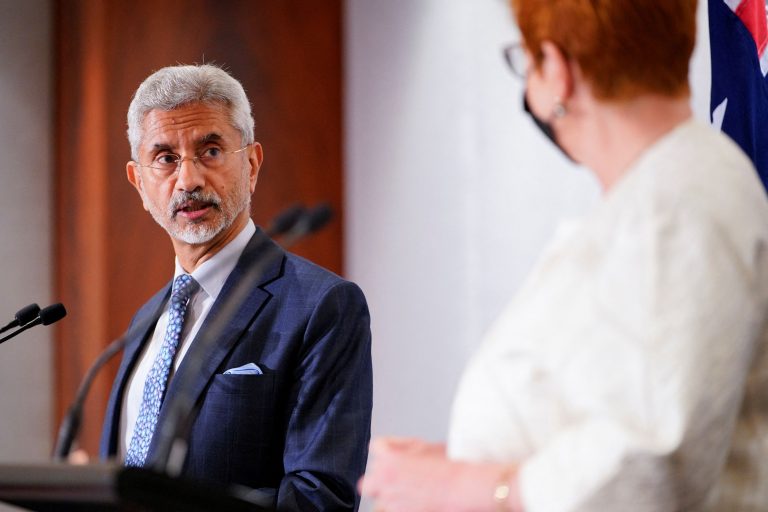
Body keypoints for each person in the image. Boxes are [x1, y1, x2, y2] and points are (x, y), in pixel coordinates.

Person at [361, 0, 768, 510]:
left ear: (556, 71)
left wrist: (463, 487)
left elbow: (652, 460)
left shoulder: (685, 201)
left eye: (525, 62)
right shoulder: (651, 196)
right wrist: (462, 465)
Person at [99, 64, 373, 511]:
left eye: (209, 151)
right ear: (139, 182)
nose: (187, 180)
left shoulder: (321, 306)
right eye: (166, 158)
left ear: (250, 163)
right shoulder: (147, 320)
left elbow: (321, 499)